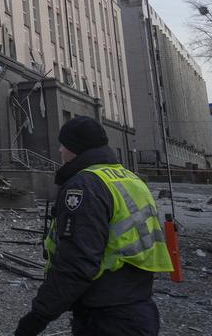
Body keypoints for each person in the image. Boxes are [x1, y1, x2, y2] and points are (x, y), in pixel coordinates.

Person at [15, 115, 173, 336]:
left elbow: (78, 262)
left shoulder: (84, 186)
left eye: (64, 144)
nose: (60, 150)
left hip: (106, 316)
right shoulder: (130, 179)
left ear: (76, 148)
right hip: (139, 305)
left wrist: (37, 318)